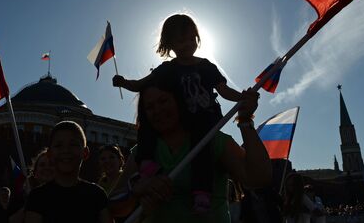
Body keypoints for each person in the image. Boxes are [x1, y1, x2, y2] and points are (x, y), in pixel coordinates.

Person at [112, 14, 259, 213]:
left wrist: (241, 97)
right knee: (146, 127)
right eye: (181, 41)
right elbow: (142, 84)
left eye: (191, 39)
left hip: (205, 119)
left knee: (202, 152)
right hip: (182, 118)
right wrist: (124, 82)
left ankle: (202, 193)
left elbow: (223, 89)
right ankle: (147, 163)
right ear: (169, 44)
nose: (188, 44)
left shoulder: (206, 66)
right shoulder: (167, 69)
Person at [109, 84, 271, 223]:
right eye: (149, 107)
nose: (157, 110)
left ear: (180, 102)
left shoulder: (213, 140)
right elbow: (113, 207)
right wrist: (136, 189)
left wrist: (245, 120)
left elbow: (258, 178)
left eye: (163, 101)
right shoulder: (142, 151)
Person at [24, 121, 112, 223]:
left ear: (85, 153)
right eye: (58, 145)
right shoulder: (37, 197)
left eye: (73, 144)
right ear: (49, 154)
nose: (66, 150)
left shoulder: (97, 195)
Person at [8, 149, 53, 223]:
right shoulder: (21, 198)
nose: (47, 167)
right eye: (42, 165)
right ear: (35, 172)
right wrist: (31, 202)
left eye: (51, 164)